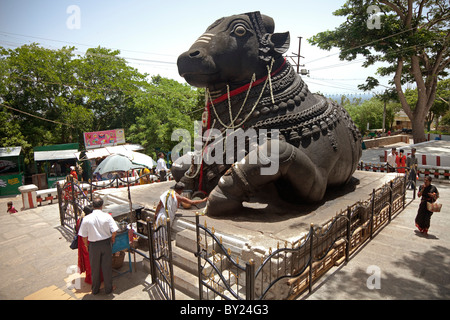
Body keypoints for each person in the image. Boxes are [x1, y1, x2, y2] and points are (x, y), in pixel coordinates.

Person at [78, 197, 118, 295]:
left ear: (93, 206)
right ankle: (108, 289)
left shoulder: (87, 218)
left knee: (94, 268)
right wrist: (112, 239)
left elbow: (83, 235)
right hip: (105, 244)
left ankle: (95, 289)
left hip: (93, 245)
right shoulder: (107, 216)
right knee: (107, 267)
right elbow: (114, 231)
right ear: (102, 206)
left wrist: (87, 245)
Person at [76, 205, 97, 285]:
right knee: (91, 261)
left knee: (88, 261)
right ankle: (92, 279)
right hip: (87, 242)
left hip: (83, 243)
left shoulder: (80, 220)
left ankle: (90, 277)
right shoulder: (87, 221)